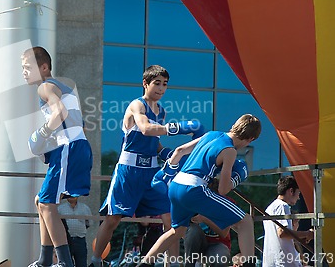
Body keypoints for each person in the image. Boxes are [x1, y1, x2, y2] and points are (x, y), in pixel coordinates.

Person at [90, 65, 189, 267]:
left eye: (165, 85)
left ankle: (174, 264)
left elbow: (155, 140)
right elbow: (145, 129)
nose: (161, 88)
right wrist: (176, 128)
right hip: (129, 171)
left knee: (170, 218)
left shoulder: (162, 112)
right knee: (113, 219)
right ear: (145, 83)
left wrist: (167, 153)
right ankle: (95, 261)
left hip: (152, 173)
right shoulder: (137, 105)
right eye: (157, 83)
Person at [136, 114, 262, 267]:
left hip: (176, 186)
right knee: (245, 221)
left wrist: (167, 171)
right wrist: (236, 178)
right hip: (194, 189)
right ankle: (250, 264)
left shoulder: (211, 134)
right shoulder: (230, 151)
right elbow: (222, 190)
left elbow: (180, 150)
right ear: (250, 139)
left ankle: (144, 264)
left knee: (177, 230)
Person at [22, 46, 93, 267]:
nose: (24, 72)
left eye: (27, 67)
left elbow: (59, 112)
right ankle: (44, 260)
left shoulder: (44, 87)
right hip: (76, 147)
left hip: (68, 149)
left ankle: (63, 262)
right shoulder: (64, 87)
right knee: (41, 202)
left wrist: (42, 134)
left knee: (45, 203)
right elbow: (79, 124)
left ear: (44, 67)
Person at [262, 176, 314, 267]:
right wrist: (307, 233)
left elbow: (279, 236)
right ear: (291, 191)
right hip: (283, 263)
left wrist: (293, 227)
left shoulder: (270, 208)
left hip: (272, 262)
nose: (298, 198)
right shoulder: (283, 206)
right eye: (298, 193)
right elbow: (282, 233)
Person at [183, 179, 233, 267]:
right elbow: (182, 229)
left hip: (217, 244)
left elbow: (224, 233)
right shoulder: (194, 201)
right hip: (197, 243)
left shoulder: (227, 203)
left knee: (221, 258)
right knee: (193, 230)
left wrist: (204, 219)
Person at [58, 196, 93, 267]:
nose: (72, 197)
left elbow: (89, 223)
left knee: (81, 264)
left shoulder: (85, 208)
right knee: (66, 263)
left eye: (73, 195)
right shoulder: (60, 208)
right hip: (66, 241)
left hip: (80, 240)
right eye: (69, 195)